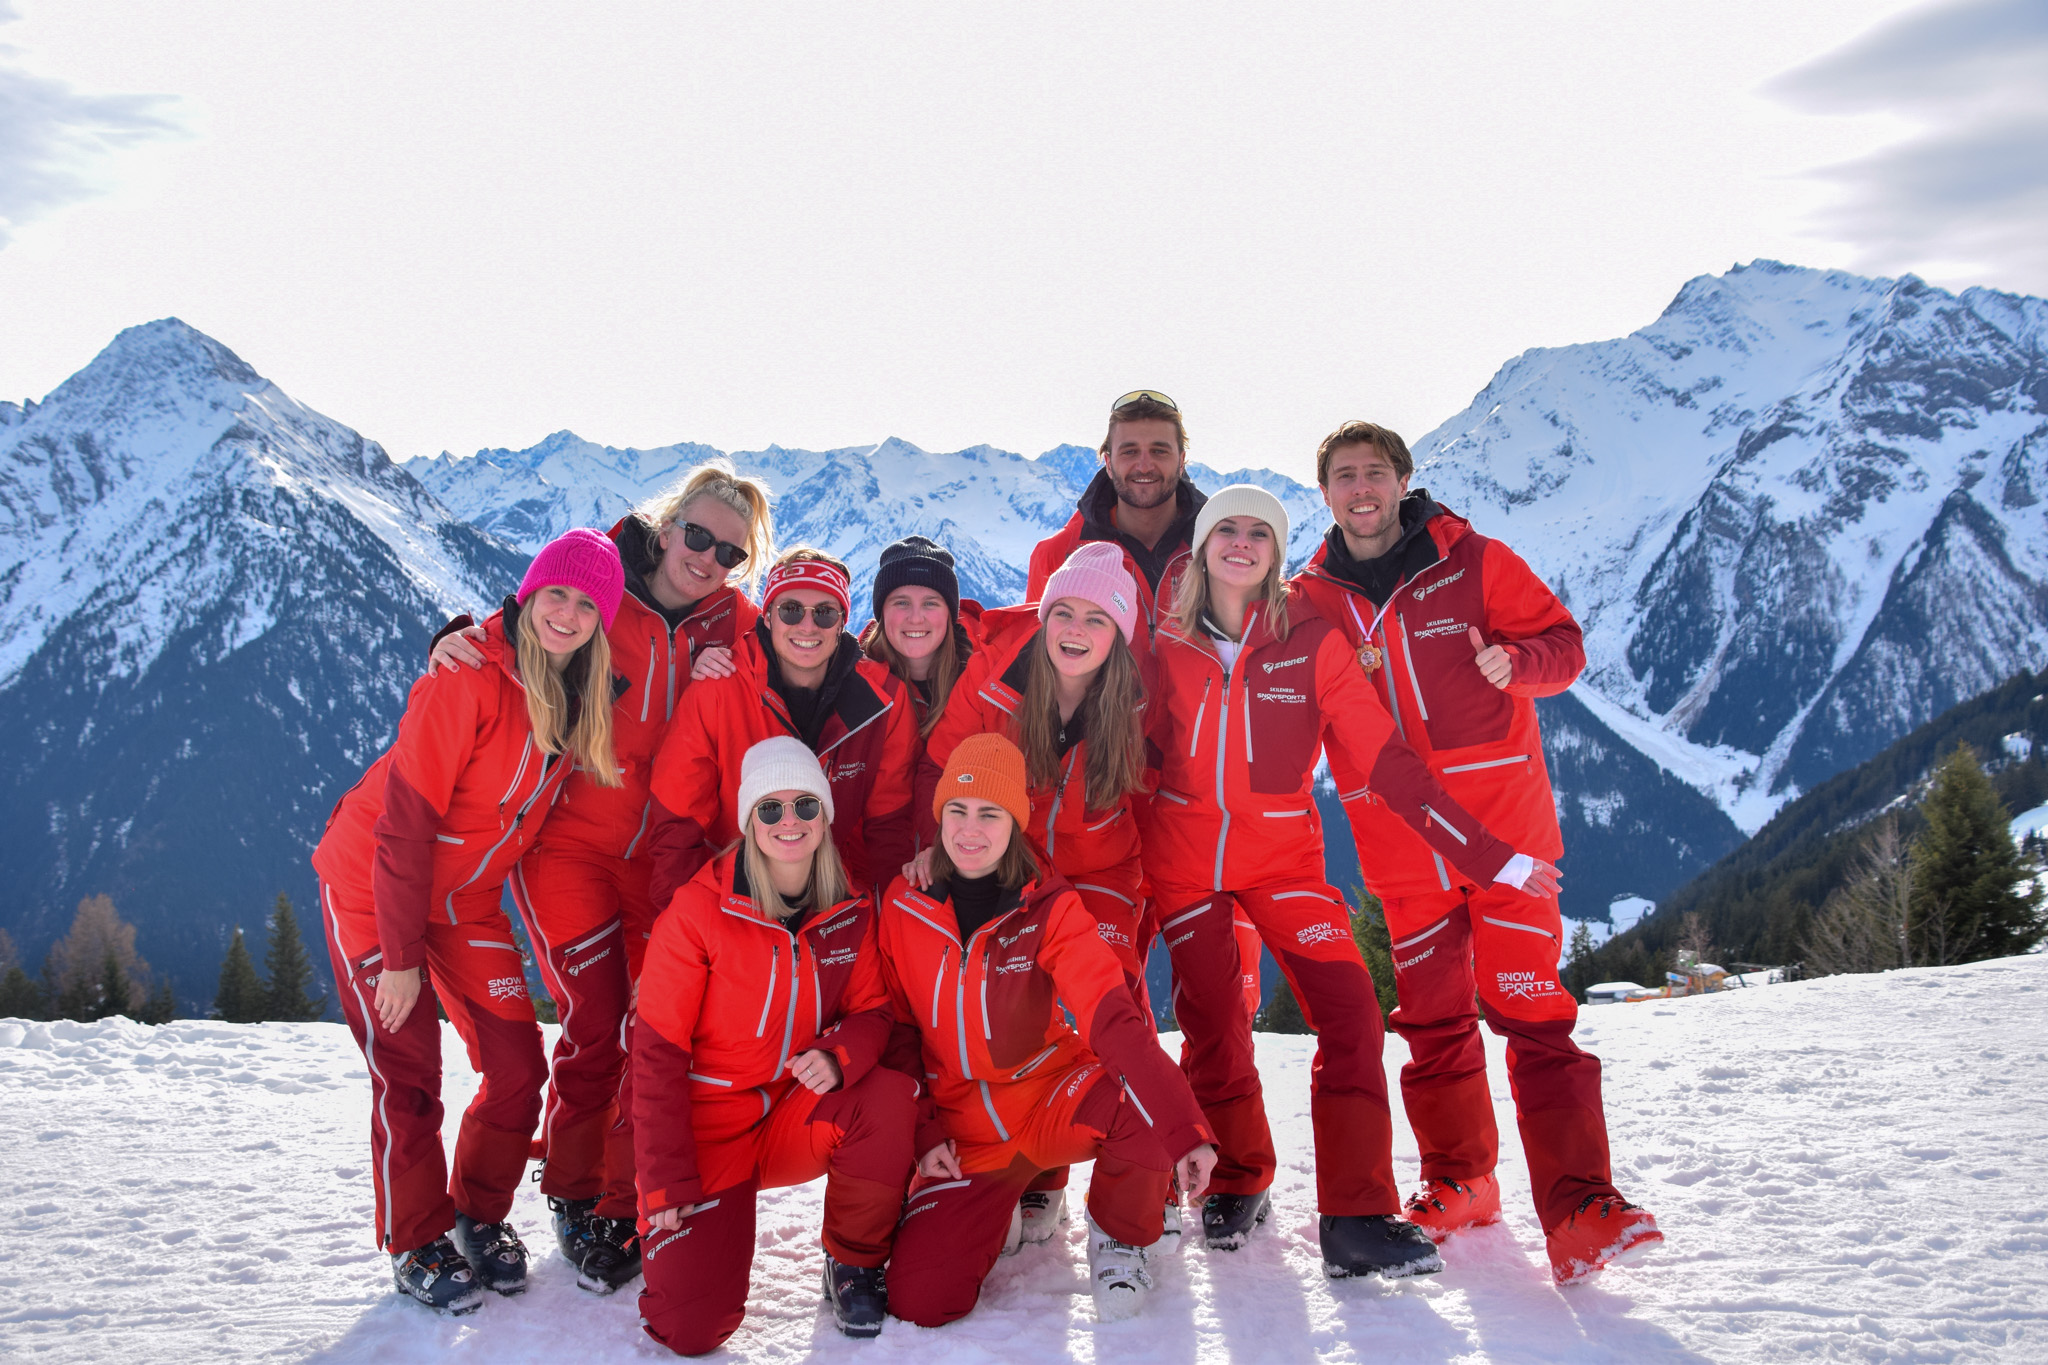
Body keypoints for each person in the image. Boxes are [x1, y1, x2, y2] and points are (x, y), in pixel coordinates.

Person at [1143, 484, 1563, 1278]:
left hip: (1284, 864)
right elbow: (1116, 744)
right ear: (1201, 547)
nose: (1241, 542)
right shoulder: (1162, 642)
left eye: (1259, 532)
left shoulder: (1312, 641)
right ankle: (1238, 1176)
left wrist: (1488, 855)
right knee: (1213, 1020)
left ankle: (1357, 1214)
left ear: (1277, 553)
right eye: (1226, 529)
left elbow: (1387, 762)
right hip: (1185, 864)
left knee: (1351, 1015)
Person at [1292, 421, 1662, 1282]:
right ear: (1327, 492)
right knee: (1433, 1023)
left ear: (1403, 481)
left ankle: (1581, 1204)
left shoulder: (1477, 561)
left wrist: (1519, 661)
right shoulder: (1307, 600)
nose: (1360, 488)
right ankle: (1461, 1180)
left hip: (1509, 842)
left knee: (1534, 1013)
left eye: (1374, 472)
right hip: (1400, 848)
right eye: (1344, 476)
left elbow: (1567, 646)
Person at [426, 460, 773, 1293]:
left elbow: (806, 658)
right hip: (570, 847)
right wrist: (454, 632)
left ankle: (618, 1202)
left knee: (654, 1028)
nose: (706, 558)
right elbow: (530, 621)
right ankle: (550, 1194)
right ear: (667, 525)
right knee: (595, 1020)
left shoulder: (736, 624)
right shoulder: (606, 583)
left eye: (729, 552)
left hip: (664, 861)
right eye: (697, 535)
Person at [311, 529, 625, 1313]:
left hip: (464, 903)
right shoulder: (466, 678)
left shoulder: (577, 693)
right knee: (409, 1072)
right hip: (375, 889)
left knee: (518, 1068)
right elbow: (404, 827)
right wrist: (401, 956)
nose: (568, 613)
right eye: (556, 593)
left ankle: (478, 1214)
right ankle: (415, 1241)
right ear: (527, 593)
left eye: (588, 604)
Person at [878, 734, 1219, 1326]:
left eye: (990, 813)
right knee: (922, 1300)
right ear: (939, 816)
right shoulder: (905, 904)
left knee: (1143, 1108)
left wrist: (1185, 1129)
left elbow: (1113, 1019)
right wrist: (926, 1132)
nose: (970, 829)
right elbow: (899, 1032)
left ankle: (1117, 1235)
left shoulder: (1048, 905)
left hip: (1048, 1098)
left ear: (1015, 821)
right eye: (957, 810)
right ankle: (1002, 1201)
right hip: (964, 1134)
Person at [905, 542, 1157, 1250]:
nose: (1076, 630)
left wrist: (1159, 895)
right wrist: (932, 845)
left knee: (1115, 1000)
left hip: (1103, 867)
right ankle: (1041, 1170)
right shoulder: (997, 673)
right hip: (1014, 864)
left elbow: (1163, 794)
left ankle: (1139, 1190)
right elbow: (940, 763)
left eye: (1097, 619)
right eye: (1064, 612)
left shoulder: (1139, 694)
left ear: (1119, 635)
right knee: (1016, 1006)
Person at [631, 738, 918, 1353]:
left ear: (825, 817)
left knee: (887, 1098)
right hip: (708, 1133)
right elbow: (654, 1057)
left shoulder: (846, 908)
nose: (790, 820)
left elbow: (873, 1011)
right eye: (770, 808)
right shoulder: (697, 912)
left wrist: (839, 1055)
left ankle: (853, 1260)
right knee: (690, 1327)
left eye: (805, 805)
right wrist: (664, 1179)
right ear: (749, 821)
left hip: (793, 1112)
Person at [648, 549, 916, 901]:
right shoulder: (718, 689)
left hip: (832, 889)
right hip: (733, 889)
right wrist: (685, 918)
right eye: (791, 610)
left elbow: (888, 829)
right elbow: (678, 825)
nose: (807, 626)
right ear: (768, 616)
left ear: (842, 624)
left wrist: (882, 914)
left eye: (825, 613)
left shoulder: (883, 701)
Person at [1027, 390, 1208, 635]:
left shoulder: (1217, 548)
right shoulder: (1058, 555)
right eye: (1129, 451)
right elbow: (1035, 652)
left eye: (1159, 451)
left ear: (1181, 462)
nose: (1144, 466)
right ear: (1109, 464)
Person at [856, 534, 985, 763]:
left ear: (949, 614)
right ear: (882, 613)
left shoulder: (985, 679)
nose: (916, 618)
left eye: (930, 603)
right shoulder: (856, 681)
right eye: (901, 602)